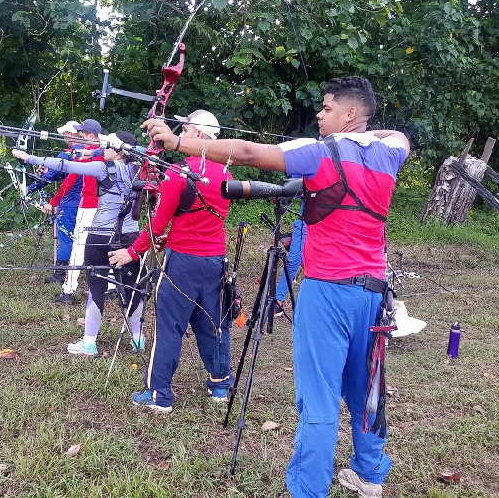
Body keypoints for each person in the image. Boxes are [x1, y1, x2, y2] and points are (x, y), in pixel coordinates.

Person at [142, 77, 410, 497]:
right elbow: (396, 134)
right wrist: (355, 136)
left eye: (326, 108)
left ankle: (308, 490)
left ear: (350, 114)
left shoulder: (319, 153)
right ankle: (370, 474)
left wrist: (178, 144)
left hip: (328, 293)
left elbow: (249, 153)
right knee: (366, 387)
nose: (319, 115)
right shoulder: (392, 151)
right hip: (374, 293)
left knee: (319, 400)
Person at [107, 109, 233, 414]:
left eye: (186, 130)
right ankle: (220, 384)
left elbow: (157, 223)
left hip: (182, 265)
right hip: (214, 261)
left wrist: (132, 252)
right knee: (212, 323)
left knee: (169, 328)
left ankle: (159, 394)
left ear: (199, 136)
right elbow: (198, 220)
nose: (180, 135)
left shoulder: (178, 174)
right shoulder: (227, 175)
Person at [13, 131, 145, 357]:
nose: (104, 149)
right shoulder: (142, 171)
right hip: (130, 238)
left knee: (96, 288)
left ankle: (89, 344)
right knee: (133, 288)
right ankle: (138, 340)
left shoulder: (102, 168)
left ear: (116, 149)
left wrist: (28, 158)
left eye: (108, 146)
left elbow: (66, 166)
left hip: (100, 236)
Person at [27, 120, 83, 284]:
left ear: (72, 134)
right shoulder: (93, 152)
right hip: (89, 203)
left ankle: (60, 275)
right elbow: (63, 174)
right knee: (82, 237)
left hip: (70, 202)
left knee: (66, 237)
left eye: (65, 134)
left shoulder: (66, 154)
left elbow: (48, 178)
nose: (64, 137)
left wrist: (28, 188)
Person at [56, 118, 104, 304]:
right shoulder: (109, 152)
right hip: (108, 208)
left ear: (91, 136)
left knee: (78, 246)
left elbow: (70, 178)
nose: (78, 138)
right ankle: (111, 288)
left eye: (81, 135)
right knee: (104, 244)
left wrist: (55, 201)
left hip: (89, 206)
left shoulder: (88, 155)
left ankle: (68, 291)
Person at [272, 205, 306, 317]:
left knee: (309, 264)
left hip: (319, 226)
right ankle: (278, 301)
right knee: (292, 261)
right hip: (302, 224)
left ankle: (311, 305)